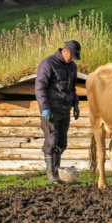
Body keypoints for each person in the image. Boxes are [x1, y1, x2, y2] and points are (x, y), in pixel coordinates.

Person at [35, 40, 81, 184]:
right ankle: (52, 175)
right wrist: (44, 108)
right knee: (51, 141)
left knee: (62, 143)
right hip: (51, 109)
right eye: (71, 55)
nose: (72, 59)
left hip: (65, 109)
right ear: (65, 51)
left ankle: (57, 171)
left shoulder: (72, 66)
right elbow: (40, 87)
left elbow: (72, 88)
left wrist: (76, 104)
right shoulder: (48, 63)